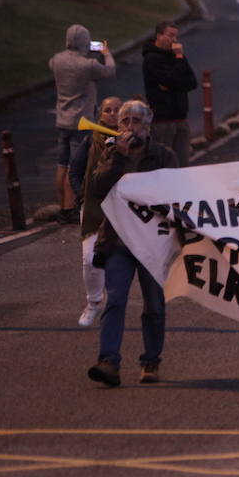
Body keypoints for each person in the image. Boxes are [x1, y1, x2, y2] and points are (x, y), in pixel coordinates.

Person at [87, 100, 177, 387]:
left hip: (152, 243)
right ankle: (108, 361)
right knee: (115, 300)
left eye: (135, 121)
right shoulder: (112, 154)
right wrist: (119, 160)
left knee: (154, 304)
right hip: (118, 243)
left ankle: (151, 361)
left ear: (147, 125)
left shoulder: (163, 155)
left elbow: (178, 194)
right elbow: (97, 188)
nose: (128, 126)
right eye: (124, 121)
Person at [50, 24, 116, 224]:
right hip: (82, 120)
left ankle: (62, 206)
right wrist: (106, 53)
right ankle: (71, 207)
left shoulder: (56, 60)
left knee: (62, 164)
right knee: (75, 166)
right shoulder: (88, 65)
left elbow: (52, 64)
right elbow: (110, 71)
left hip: (62, 118)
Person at [71, 95, 120, 328]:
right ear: (100, 115)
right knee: (90, 258)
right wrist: (81, 196)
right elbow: (76, 170)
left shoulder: (133, 140)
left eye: (117, 110)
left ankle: (115, 303)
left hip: (123, 207)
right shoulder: (90, 141)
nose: (112, 114)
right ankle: (93, 302)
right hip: (93, 207)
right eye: (107, 110)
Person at [142, 22, 196, 167]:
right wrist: (177, 81)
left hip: (181, 119)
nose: (174, 40)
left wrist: (179, 59)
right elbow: (171, 80)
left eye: (176, 37)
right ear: (159, 36)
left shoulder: (177, 56)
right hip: (163, 121)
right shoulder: (152, 58)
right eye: (170, 35)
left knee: (183, 164)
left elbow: (192, 82)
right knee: (164, 164)